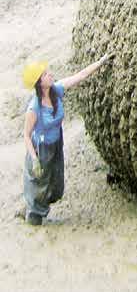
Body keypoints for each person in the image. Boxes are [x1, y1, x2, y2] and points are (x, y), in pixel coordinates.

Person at [22, 56, 110, 226]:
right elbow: (26, 135)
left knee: (55, 184)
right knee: (39, 182)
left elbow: (80, 75)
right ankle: (34, 215)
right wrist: (34, 159)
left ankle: (37, 206)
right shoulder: (34, 108)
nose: (50, 75)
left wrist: (100, 62)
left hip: (56, 144)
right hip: (41, 148)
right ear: (39, 82)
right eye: (45, 74)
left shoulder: (57, 90)